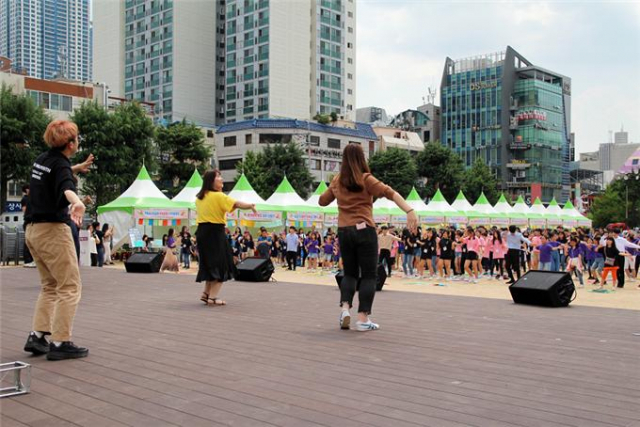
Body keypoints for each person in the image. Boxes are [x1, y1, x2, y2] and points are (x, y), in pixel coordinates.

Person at [319, 142, 417, 331]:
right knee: (369, 276)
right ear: (362, 158)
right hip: (365, 231)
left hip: (344, 231)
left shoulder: (338, 180)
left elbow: (322, 201)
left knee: (349, 273)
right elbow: (390, 193)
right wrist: (409, 210)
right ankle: (363, 319)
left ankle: (345, 309)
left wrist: (334, 189)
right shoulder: (366, 179)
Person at [23, 120, 88, 360]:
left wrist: (77, 167)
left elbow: (58, 176)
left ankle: (38, 336)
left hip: (32, 230)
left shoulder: (42, 160)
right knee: (70, 286)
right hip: (52, 231)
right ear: (70, 144)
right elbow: (65, 187)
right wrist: (77, 202)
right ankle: (61, 342)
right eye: (76, 138)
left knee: (50, 285)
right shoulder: (61, 165)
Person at [195, 170, 256, 305]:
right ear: (211, 181)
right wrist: (250, 205)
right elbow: (237, 204)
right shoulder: (219, 196)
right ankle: (213, 297)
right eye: (218, 177)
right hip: (215, 232)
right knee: (223, 264)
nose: (221, 179)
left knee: (210, 264)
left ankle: (206, 293)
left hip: (202, 232)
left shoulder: (200, 197)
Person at [21, 184, 36, 267]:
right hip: (28, 221)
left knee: (31, 241)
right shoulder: (25, 199)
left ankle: (32, 259)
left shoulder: (31, 198)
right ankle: (28, 260)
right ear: (26, 190)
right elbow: (25, 210)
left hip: (31, 221)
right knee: (28, 241)